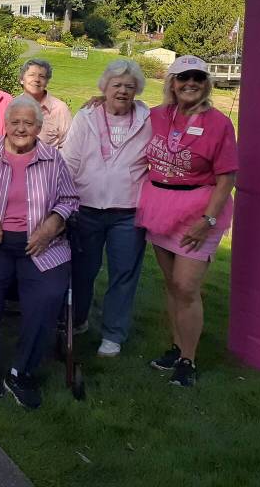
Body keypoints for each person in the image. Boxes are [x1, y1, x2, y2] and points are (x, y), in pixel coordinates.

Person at [0, 94, 79, 409]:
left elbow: (68, 199)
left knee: (49, 294)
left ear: (39, 127)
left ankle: (21, 371)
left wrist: (49, 228)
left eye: (28, 123)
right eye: (15, 122)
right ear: (5, 125)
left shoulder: (53, 159)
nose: (21, 128)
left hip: (42, 242)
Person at [135, 55, 237, 387]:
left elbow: (226, 178)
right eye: (183, 78)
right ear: (172, 83)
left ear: (206, 83)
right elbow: (120, 110)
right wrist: (99, 100)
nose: (189, 83)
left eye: (197, 77)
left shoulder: (219, 123)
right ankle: (177, 348)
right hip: (159, 206)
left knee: (186, 287)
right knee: (171, 285)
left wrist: (207, 220)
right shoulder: (157, 115)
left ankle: (188, 361)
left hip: (199, 211)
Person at [62, 60, 152, 358]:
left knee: (123, 274)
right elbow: (70, 161)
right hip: (86, 208)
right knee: (82, 271)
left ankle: (113, 333)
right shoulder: (86, 115)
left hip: (128, 212)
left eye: (129, 86)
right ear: (104, 88)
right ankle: (78, 320)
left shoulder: (148, 119)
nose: (123, 91)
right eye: (116, 85)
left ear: (137, 91)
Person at [19, 59, 71, 148]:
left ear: (47, 82)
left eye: (42, 76)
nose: (36, 80)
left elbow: (69, 147)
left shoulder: (60, 109)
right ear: (21, 79)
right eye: (31, 75)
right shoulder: (12, 106)